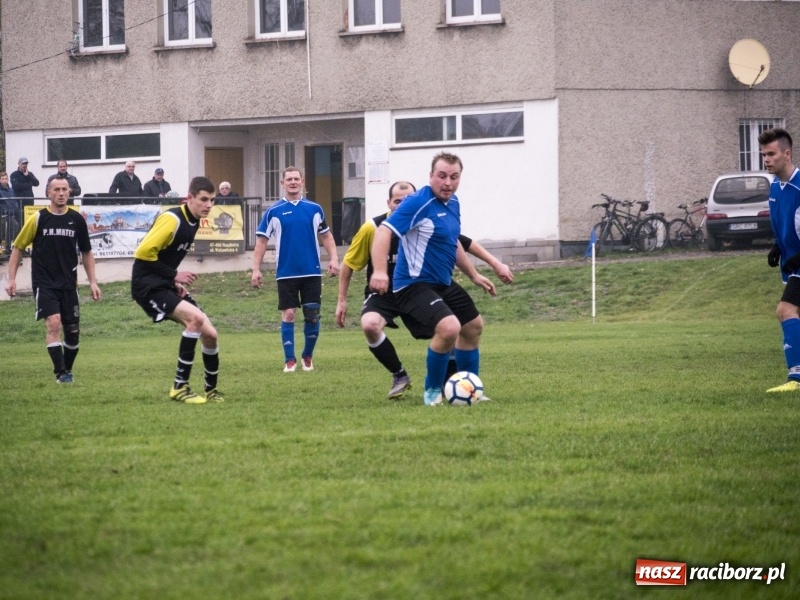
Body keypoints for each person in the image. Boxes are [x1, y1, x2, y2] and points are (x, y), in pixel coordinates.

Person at [336, 181, 513, 398]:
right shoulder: (372, 228)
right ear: (388, 203)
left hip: (419, 288)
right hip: (385, 292)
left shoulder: (426, 215)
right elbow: (349, 264)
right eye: (397, 201)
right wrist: (342, 300)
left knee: (449, 329)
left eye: (408, 200)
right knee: (370, 325)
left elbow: (460, 242)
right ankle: (400, 374)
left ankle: (454, 386)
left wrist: (481, 271)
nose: (403, 205)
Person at [370, 152, 487, 406]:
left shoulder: (453, 203)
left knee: (473, 326)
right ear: (431, 176)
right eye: (442, 176)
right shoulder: (416, 202)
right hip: (412, 285)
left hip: (442, 282)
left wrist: (475, 275)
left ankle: (470, 390)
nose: (448, 182)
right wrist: (379, 271)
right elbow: (383, 232)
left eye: (454, 177)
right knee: (449, 328)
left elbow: (453, 243)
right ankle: (432, 391)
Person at [131, 176, 224, 404]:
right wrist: (174, 275)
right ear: (189, 198)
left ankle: (211, 391)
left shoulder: (194, 221)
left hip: (164, 283)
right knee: (194, 319)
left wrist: (173, 281)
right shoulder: (172, 219)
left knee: (210, 335)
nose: (209, 205)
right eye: (204, 199)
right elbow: (142, 253)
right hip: (147, 286)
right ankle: (179, 388)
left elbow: (162, 257)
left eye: (212, 200)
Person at [4, 178, 102, 383]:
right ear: (48, 193)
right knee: (54, 324)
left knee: (73, 332)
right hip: (45, 283)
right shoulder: (39, 218)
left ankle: (66, 369)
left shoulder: (77, 219)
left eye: (64, 189)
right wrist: (11, 279)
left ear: (70, 192)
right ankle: (61, 374)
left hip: (69, 285)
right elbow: (18, 247)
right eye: (56, 189)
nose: (61, 193)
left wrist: (93, 282)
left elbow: (87, 252)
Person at [251, 166, 340, 372]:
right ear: (282, 183)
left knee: (312, 314)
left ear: (302, 181)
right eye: (288, 179)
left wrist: (334, 259)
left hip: (312, 271)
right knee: (289, 314)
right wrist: (256, 269)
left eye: (296, 179)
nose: (292, 182)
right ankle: (289, 360)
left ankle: (307, 357)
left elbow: (326, 236)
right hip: (286, 272)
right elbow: (261, 241)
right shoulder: (273, 212)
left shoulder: (315, 209)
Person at [762, 128, 800, 393]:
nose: (766, 159)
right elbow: (784, 222)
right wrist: (778, 245)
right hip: (793, 264)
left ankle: (796, 378)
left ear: (787, 154)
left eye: (771, 153)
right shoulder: (775, 187)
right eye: (763, 154)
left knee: (786, 310)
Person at [0, 171, 20, 253]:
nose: (5, 180)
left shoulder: (11, 190)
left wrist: (15, 208)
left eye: (6, 179)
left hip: (11, 213)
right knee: (4, 230)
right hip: (3, 213)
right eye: (3, 179)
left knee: (13, 227)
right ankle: (6, 246)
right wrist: (4, 210)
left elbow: (14, 200)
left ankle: (8, 246)